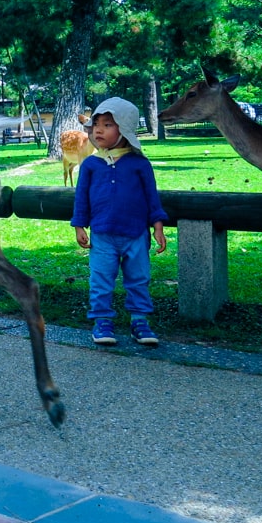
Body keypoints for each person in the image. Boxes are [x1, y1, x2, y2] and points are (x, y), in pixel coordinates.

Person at [70, 97, 169, 347]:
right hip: (102, 235)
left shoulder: (140, 164)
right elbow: (81, 198)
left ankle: (139, 321)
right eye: (96, 124)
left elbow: (151, 197)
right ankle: (102, 321)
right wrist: (79, 225)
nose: (99, 129)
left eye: (108, 124)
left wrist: (158, 225)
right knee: (100, 279)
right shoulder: (91, 165)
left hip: (136, 234)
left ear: (124, 129)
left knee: (138, 278)